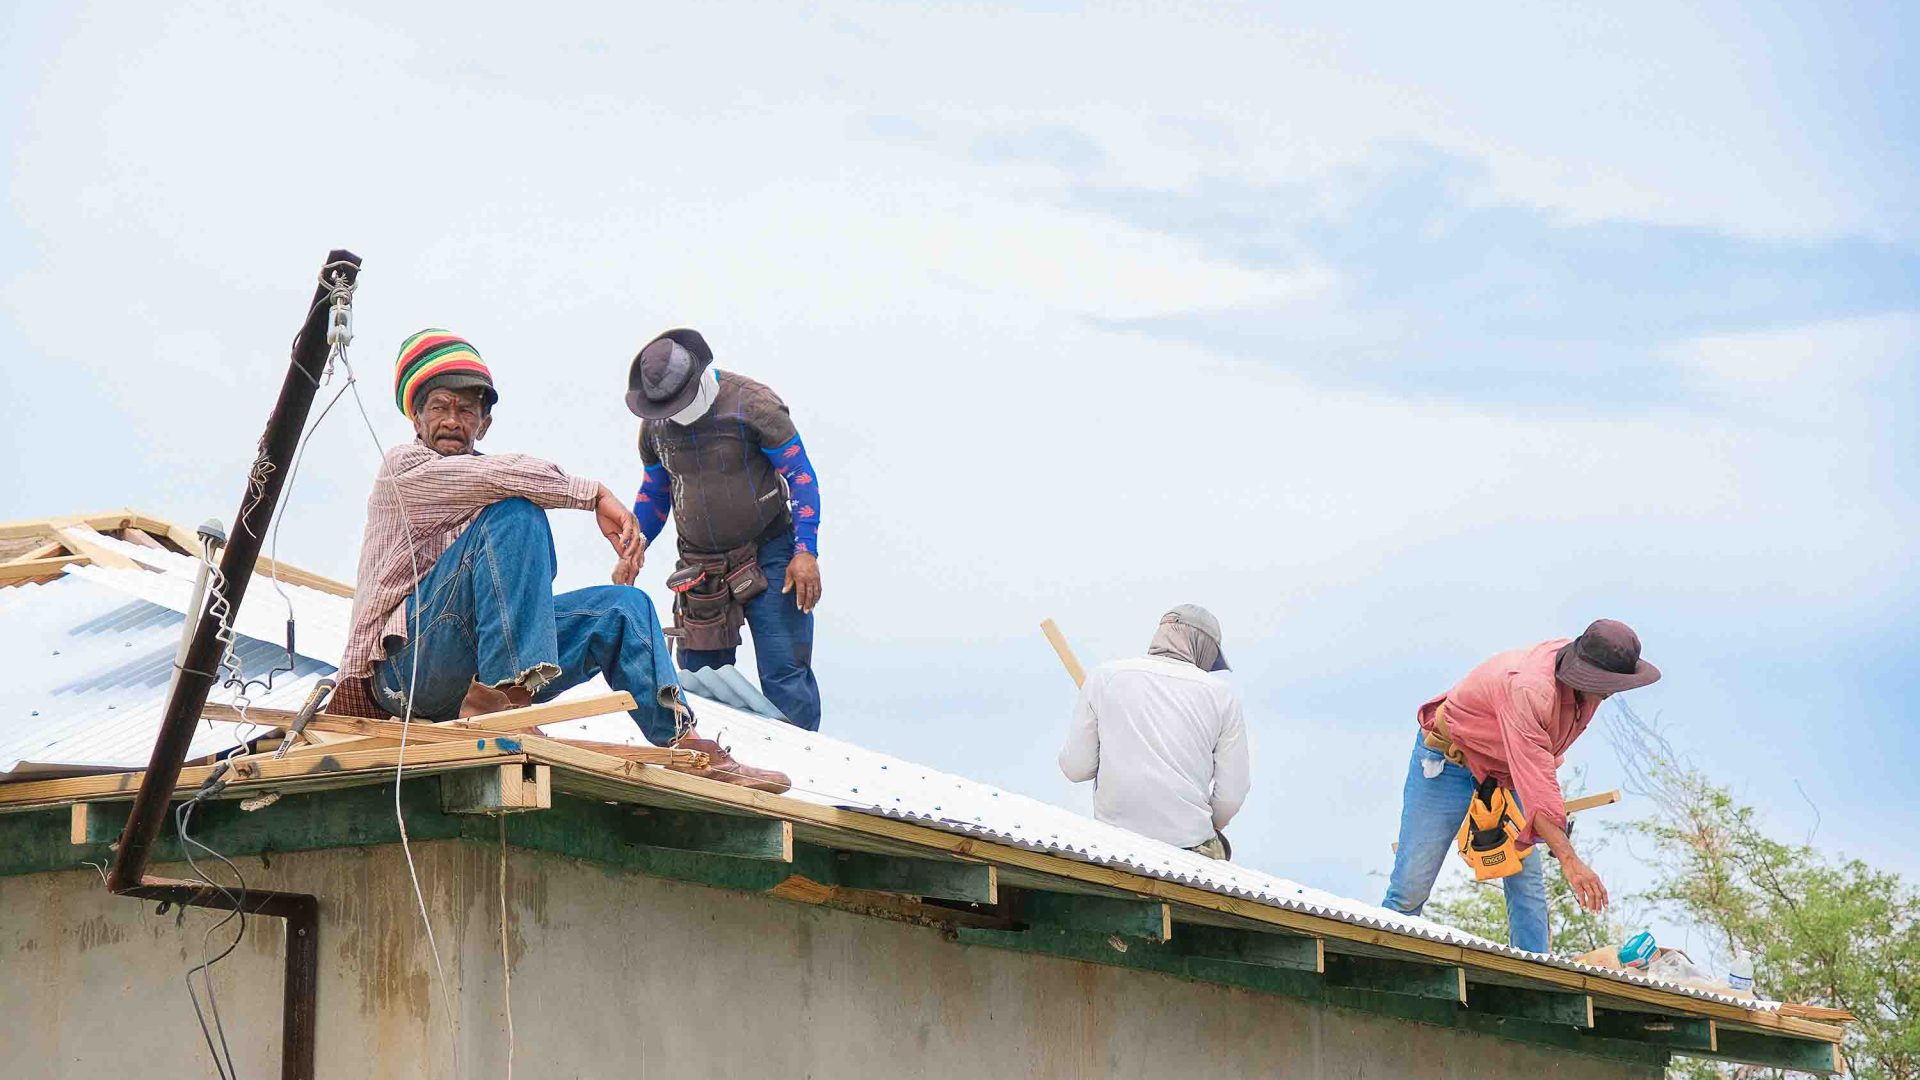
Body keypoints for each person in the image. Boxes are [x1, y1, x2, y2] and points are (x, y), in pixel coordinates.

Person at [327, 328, 788, 792]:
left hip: (469, 674)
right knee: (516, 512)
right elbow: (499, 476)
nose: (452, 420)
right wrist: (593, 496)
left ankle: (684, 745)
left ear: (483, 425)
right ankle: (507, 707)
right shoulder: (405, 468)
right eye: (439, 407)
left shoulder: (487, 478)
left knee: (622, 609)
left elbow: (498, 480)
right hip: (404, 676)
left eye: (466, 410)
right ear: (416, 419)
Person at [1381, 619, 1660, 952]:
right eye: (1606, 682)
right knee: (1412, 882)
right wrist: (1570, 860)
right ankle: (1378, 957)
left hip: (1505, 772)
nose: (1611, 691)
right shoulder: (1530, 688)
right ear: (1584, 669)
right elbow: (1537, 783)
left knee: (1527, 884)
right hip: (1448, 763)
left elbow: (1539, 765)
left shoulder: (1589, 691)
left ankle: (1535, 973)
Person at [619, 328, 824, 730]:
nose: (671, 411)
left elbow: (801, 477)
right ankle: (711, 764)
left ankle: (804, 772)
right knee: (698, 681)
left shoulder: (755, 406)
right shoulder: (656, 427)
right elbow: (657, 491)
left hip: (770, 551)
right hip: (700, 567)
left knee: (785, 673)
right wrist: (634, 545)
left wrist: (806, 551)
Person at [1058, 605, 1250, 858]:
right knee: (1222, 852)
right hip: (1187, 843)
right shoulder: (1221, 695)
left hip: (1112, 838)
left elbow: (1075, 768)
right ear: (1204, 648)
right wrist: (1207, 825)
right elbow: (1232, 794)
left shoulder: (1106, 676)